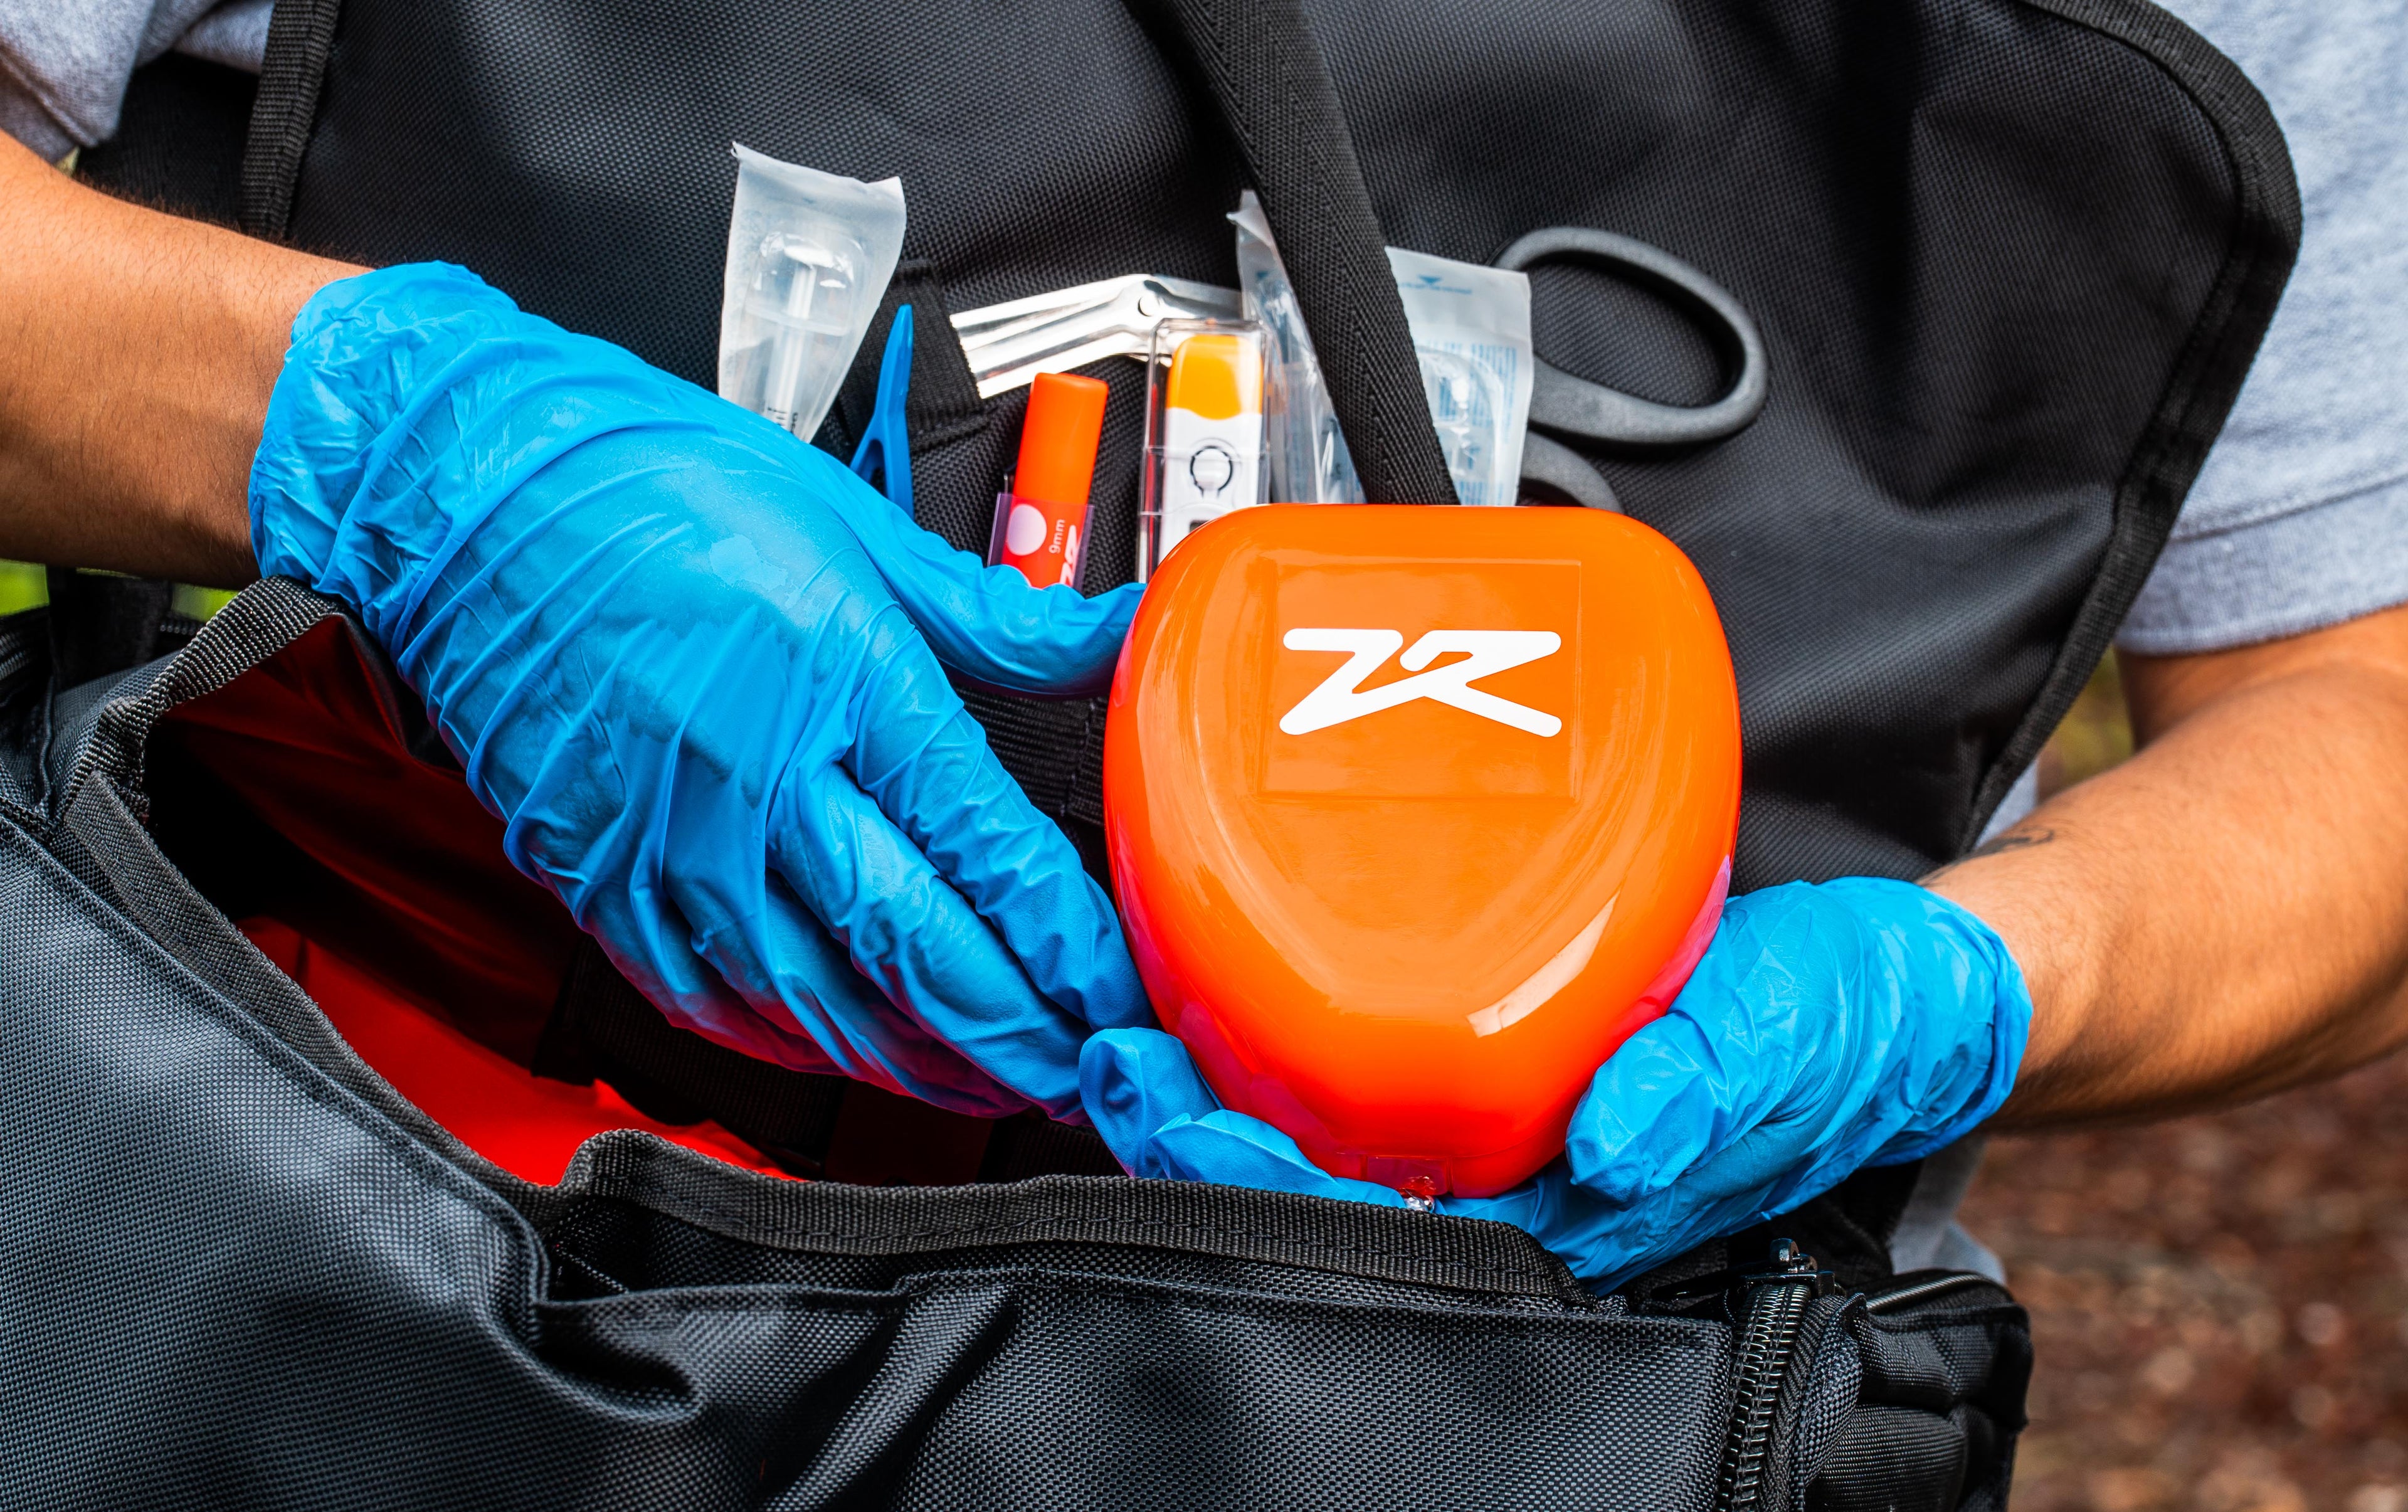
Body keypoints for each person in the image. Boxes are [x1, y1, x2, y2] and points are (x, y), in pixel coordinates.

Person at [2, 0, 2403, 1291]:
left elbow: (2356, 708)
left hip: (1573, 1454)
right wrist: (385, 445)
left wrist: (1987, 986)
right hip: (415, 1313)